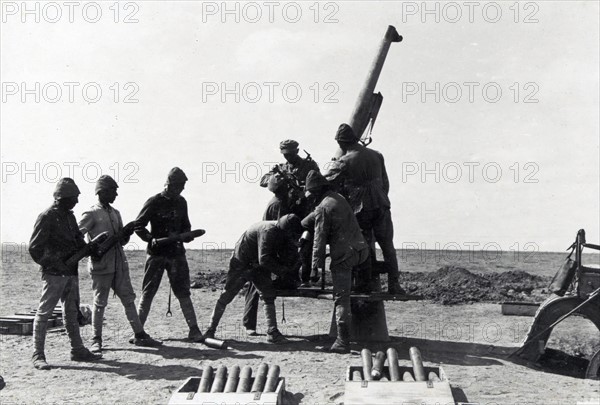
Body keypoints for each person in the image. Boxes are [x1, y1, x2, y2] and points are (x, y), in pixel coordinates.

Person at [78, 175, 162, 353]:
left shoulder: (116, 214)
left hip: (119, 265)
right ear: (101, 192)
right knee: (99, 303)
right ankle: (96, 339)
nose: (116, 194)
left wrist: (127, 233)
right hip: (101, 266)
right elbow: (77, 236)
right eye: (112, 191)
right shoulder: (91, 214)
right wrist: (92, 249)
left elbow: (122, 241)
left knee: (129, 300)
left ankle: (140, 335)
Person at [29, 178, 102, 370]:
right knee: (44, 312)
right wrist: (55, 263)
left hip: (71, 272)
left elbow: (77, 240)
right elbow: (35, 248)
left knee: (71, 312)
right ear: (62, 198)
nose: (77, 202)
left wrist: (89, 248)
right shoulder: (47, 216)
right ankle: (38, 355)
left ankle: (77, 350)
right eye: (74, 198)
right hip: (54, 274)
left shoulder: (69, 217)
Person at [324, 123, 403, 294]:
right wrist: (379, 198)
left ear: (341, 143)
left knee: (363, 246)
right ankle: (394, 285)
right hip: (382, 205)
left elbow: (325, 183)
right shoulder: (377, 155)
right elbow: (385, 183)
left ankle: (365, 283)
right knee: (388, 246)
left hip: (361, 209)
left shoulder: (343, 161)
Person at [203, 214, 302, 344]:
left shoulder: (282, 233)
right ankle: (210, 330)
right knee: (227, 295)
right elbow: (265, 258)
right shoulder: (268, 231)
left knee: (268, 295)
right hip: (242, 262)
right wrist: (283, 272)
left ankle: (272, 332)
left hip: (257, 264)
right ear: (287, 230)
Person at [304, 170, 370, 353]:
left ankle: (342, 342)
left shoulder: (323, 208)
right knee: (347, 293)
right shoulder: (338, 197)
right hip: (361, 250)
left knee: (341, 298)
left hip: (344, 256)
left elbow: (319, 238)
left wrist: (315, 268)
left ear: (315, 192)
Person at [134, 167, 204, 342]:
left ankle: (194, 330)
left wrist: (187, 235)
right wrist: (151, 239)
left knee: (183, 292)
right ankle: (138, 332)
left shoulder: (182, 202)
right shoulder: (154, 201)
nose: (181, 189)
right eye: (179, 186)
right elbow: (138, 225)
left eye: (183, 186)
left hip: (176, 254)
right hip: (156, 254)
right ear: (170, 184)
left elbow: (186, 225)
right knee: (148, 292)